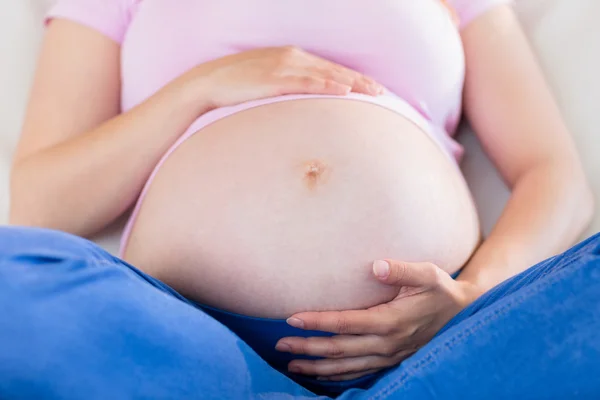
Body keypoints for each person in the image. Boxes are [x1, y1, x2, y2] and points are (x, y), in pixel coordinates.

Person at [4, 0, 596, 397]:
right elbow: (37, 206)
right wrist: (199, 88)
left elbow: (554, 177)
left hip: (436, 341)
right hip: (187, 336)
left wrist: (473, 297)